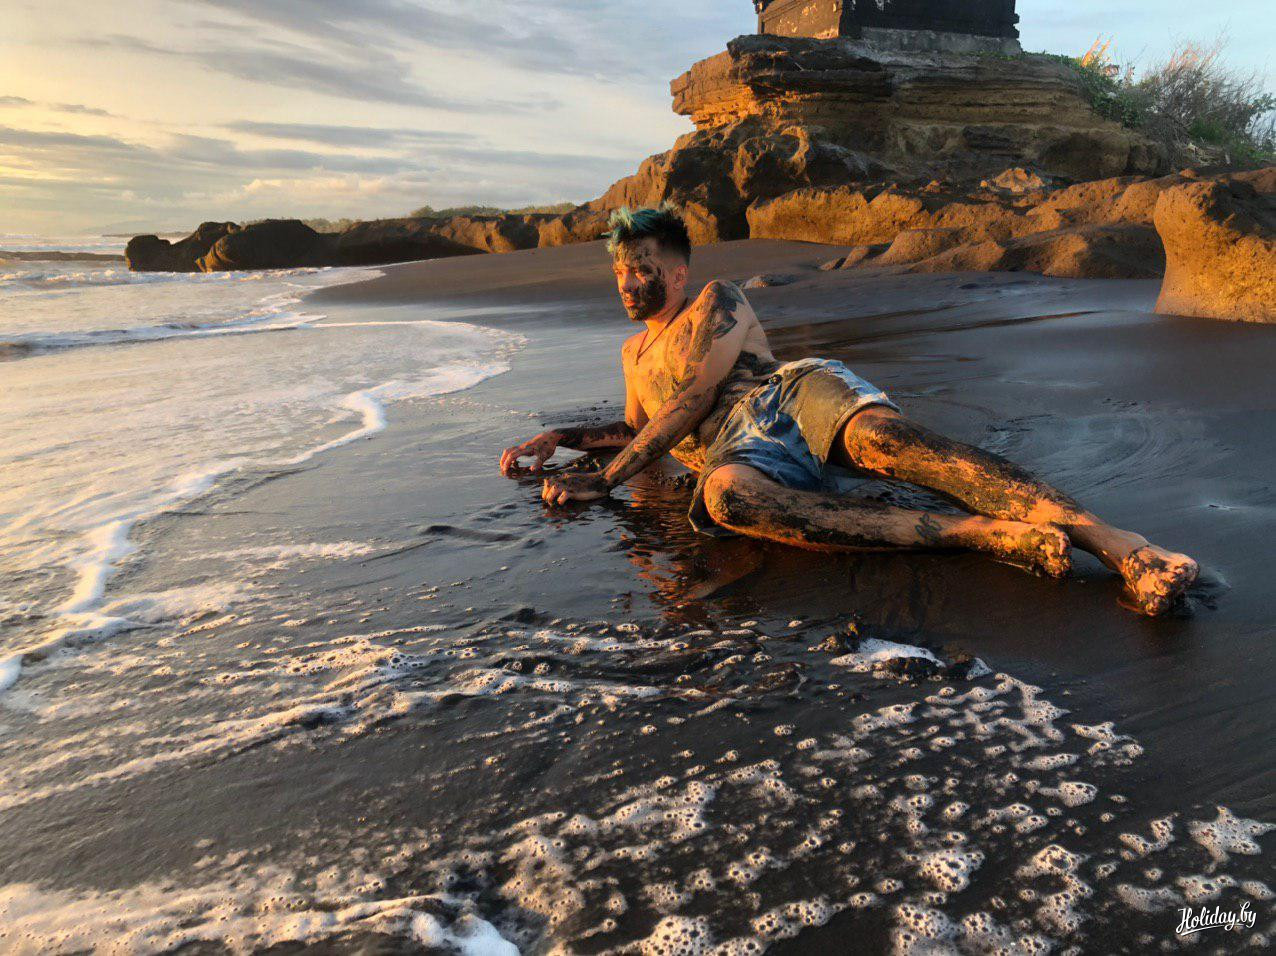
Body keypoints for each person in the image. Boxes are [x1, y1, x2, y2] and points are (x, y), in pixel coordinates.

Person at [499, 206, 1198, 615]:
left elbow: (695, 396)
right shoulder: (632, 354)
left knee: (894, 448)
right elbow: (637, 428)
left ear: (677, 272)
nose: (628, 283)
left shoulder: (716, 299)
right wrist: (561, 438)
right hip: (737, 453)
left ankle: (1123, 546)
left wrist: (606, 480)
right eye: (620, 271)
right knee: (724, 497)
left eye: (642, 269)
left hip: (790, 397)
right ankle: (980, 534)